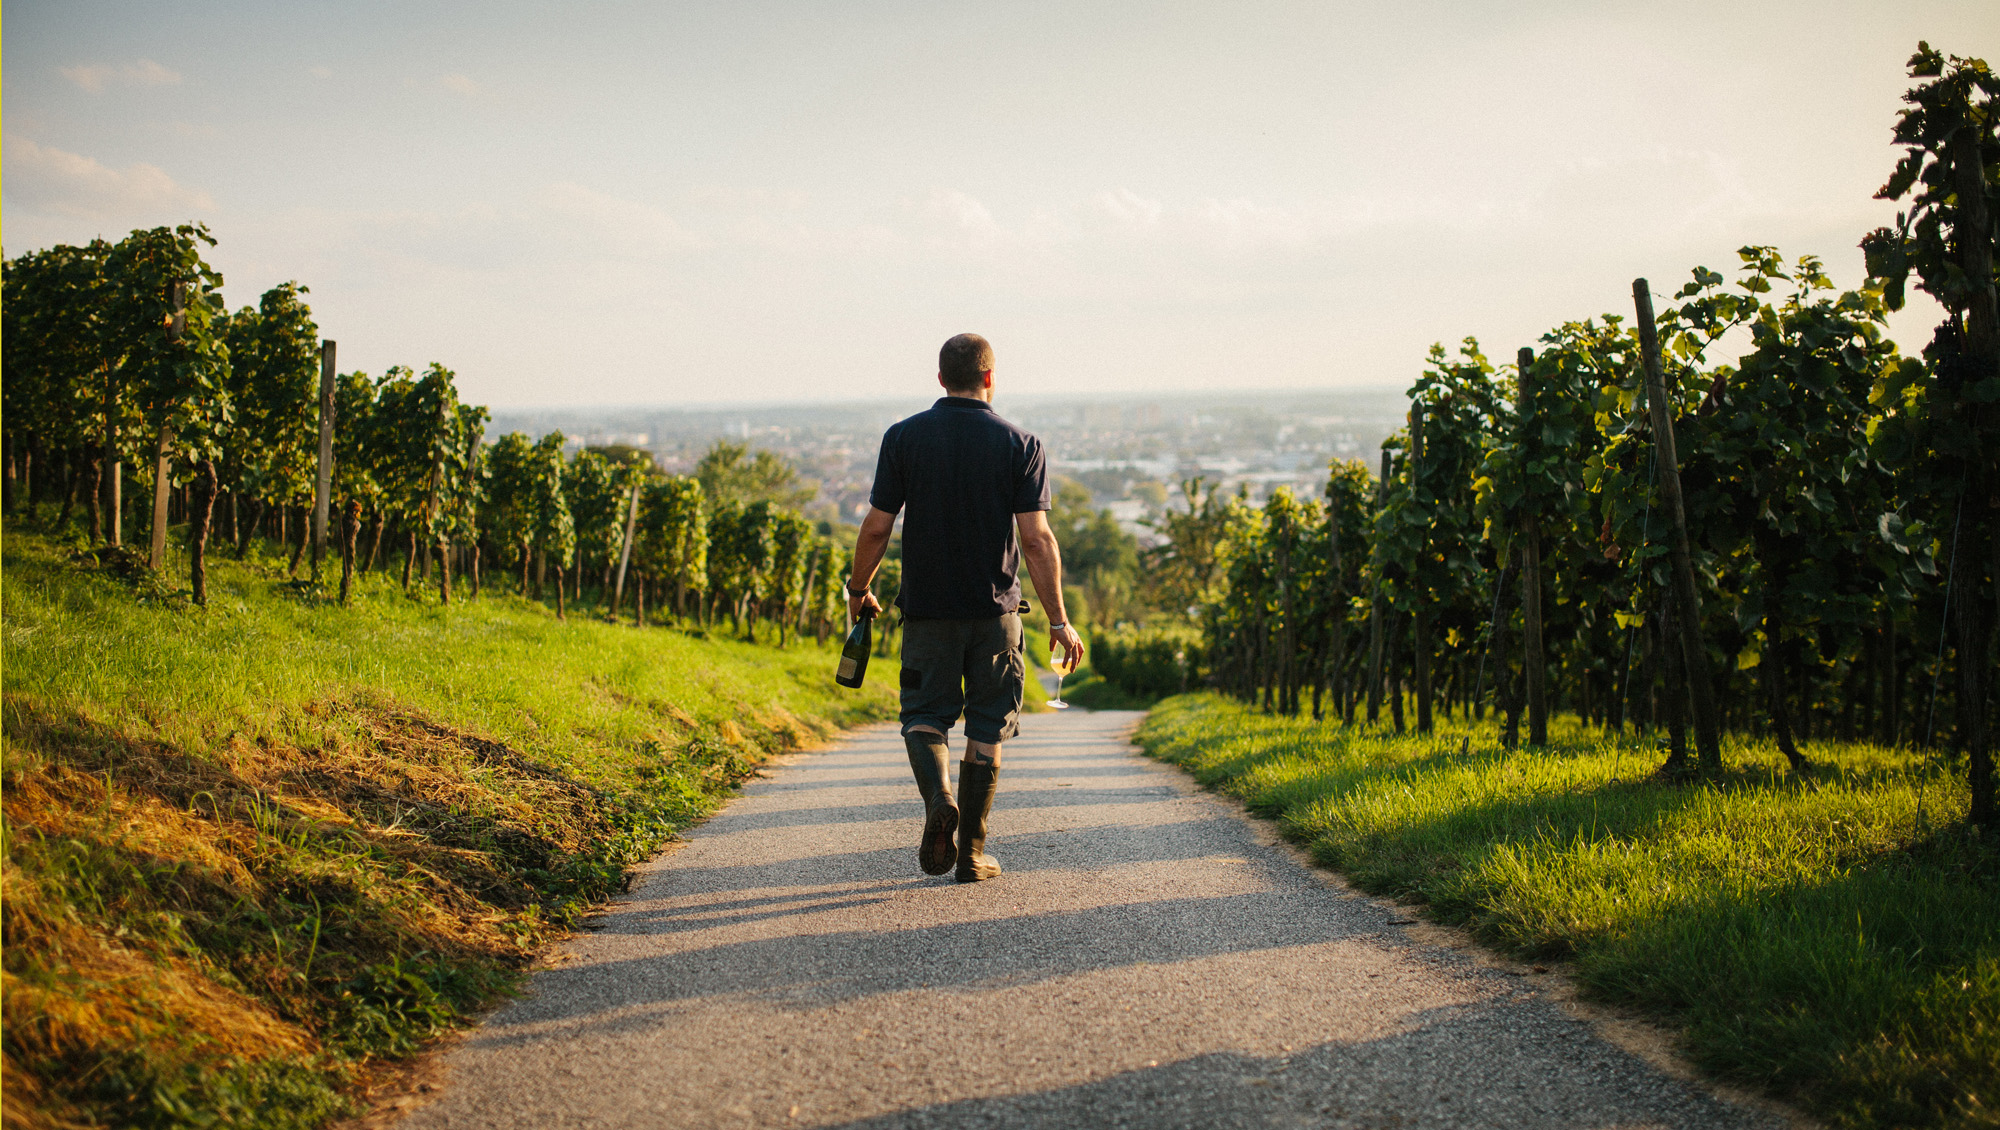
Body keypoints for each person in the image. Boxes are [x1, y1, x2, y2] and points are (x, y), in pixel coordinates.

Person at [846, 333, 1084, 883]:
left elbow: (878, 526)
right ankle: (973, 855)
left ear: (939, 379)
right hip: (995, 611)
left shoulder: (903, 438)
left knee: (924, 716)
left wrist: (859, 588)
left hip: (927, 610)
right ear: (990, 378)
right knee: (986, 725)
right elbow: (1038, 540)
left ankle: (938, 801)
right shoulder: (1020, 443)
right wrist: (1057, 620)